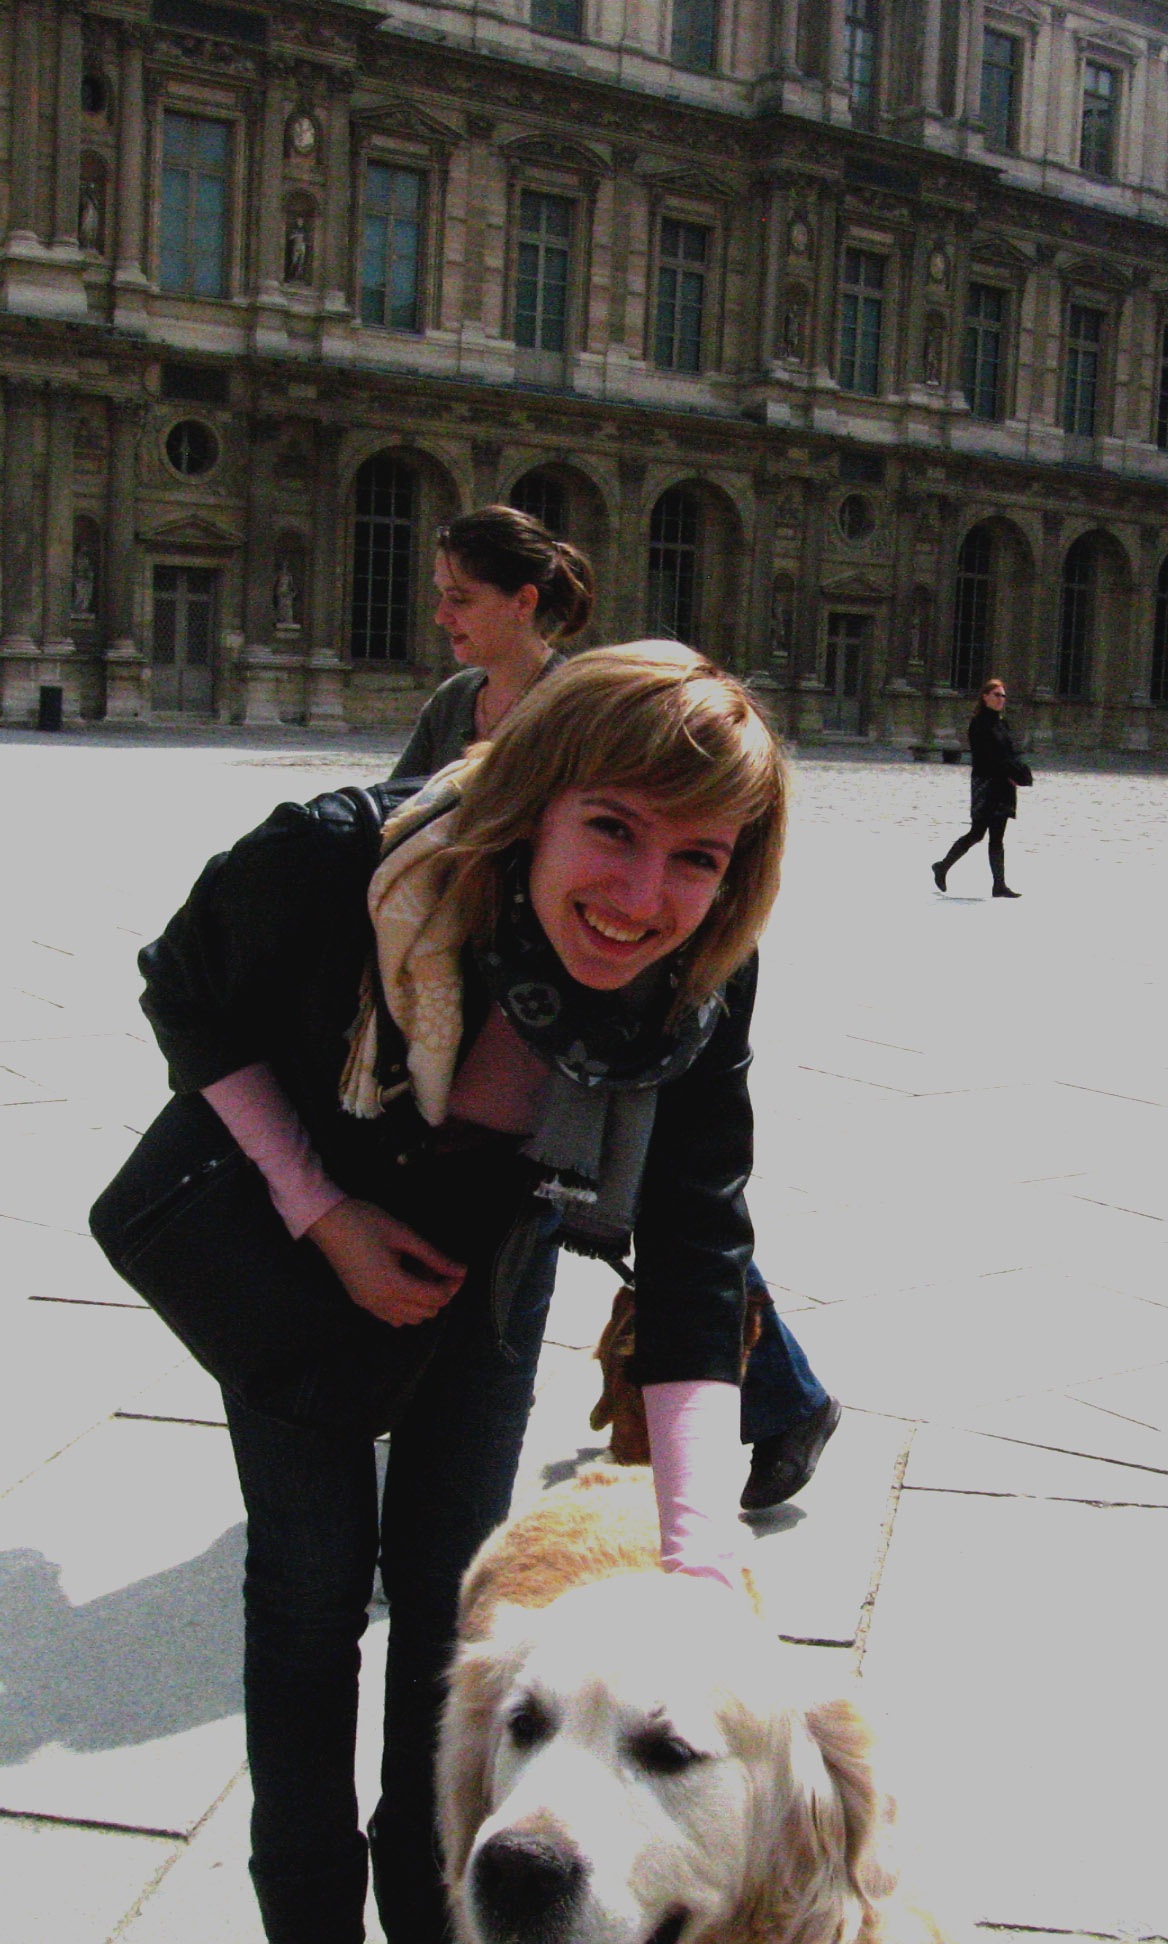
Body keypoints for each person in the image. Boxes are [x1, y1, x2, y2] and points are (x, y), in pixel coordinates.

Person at [133, 641, 789, 1944]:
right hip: (296, 1243)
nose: (643, 896)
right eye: (612, 827)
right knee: (310, 1596)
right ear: (536, 798)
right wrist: (323, 1213)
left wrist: (701, 1569)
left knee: (450, 1613)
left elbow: (697, 1239)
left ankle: (435, 1912)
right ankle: (307, 1917)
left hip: (493, 1256)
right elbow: (184, 991)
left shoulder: (703, 964)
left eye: (698, 856)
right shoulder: (336, 859)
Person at [395, 505, 840, 1512]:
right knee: (621, 1202)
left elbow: (701, 1209)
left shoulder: (592, 705)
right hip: (488, 994)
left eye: (461, 597)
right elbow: (405, 822)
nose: (443, 615)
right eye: (438, 596)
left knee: (637, 1194)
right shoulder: (456, 702)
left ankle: (783, 1395)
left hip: (601, 1011)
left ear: (524, 602)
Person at [932, 675, 1032, 898]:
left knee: (997, 836)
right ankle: (942, 866)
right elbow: (986, 756)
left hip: (1004, 784)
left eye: (1003, 696)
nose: (1001, 699)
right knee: (977, 833)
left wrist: (1019, 773)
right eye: (996, 695)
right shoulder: (979, 724)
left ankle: (999, 885)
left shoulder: (1002, 723)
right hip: (986, 783)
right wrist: (1008, 773)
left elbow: (1010, 753)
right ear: (985, 697)